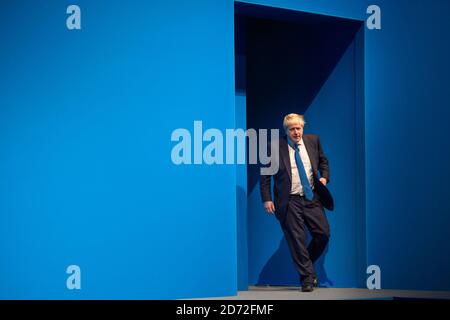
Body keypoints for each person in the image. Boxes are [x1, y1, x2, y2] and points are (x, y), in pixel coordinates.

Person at [260, 113, 331, 292]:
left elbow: (324, 161)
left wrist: (324, 177)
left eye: (298, 128)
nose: (296, 132)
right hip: (289, 200)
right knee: (297, 241)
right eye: (292, 129)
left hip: (311, 198)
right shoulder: (274, 147)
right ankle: (307, 278)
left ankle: (307, 265)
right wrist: (267, 198)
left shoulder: (313, 141)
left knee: (323, 234)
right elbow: (265, 176)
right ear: (286, 131)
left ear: (303, 128)